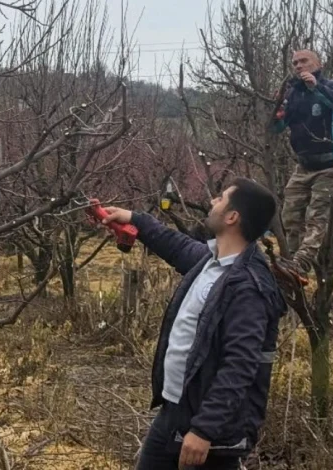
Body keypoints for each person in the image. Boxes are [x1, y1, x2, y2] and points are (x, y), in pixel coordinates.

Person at [100, 178, 285, 470]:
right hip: (174, 412)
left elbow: (240, 365)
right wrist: (134, 219)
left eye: (221, 198)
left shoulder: (248, 286)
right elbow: (176, 246)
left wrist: (204, 430)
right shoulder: (212, 262)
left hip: (209, 432)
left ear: (232, 217)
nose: (212, 201)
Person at [270, 49, 333, 281]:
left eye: (303, 61)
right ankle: (289, 263)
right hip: (303, 166)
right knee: (289, 216)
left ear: (318, 63)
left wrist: (316, 86)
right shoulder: (293, 94)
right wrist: (276, 110)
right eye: (294, 63)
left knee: (317, 217)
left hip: (330, 164)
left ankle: (302, 263)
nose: (298, 66)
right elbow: (277, 128)